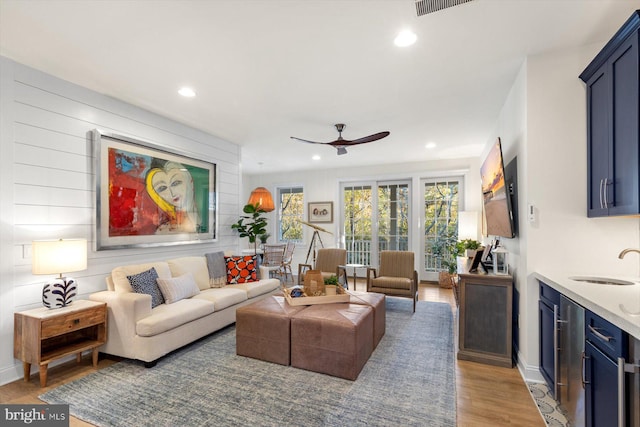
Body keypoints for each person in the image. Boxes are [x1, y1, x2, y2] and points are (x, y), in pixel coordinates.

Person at [145, 161, 201, 233]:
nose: (172, 193)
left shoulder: (204, 220)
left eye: (176, 183)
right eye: (162, 188)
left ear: (189, 182)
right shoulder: (163, 231)